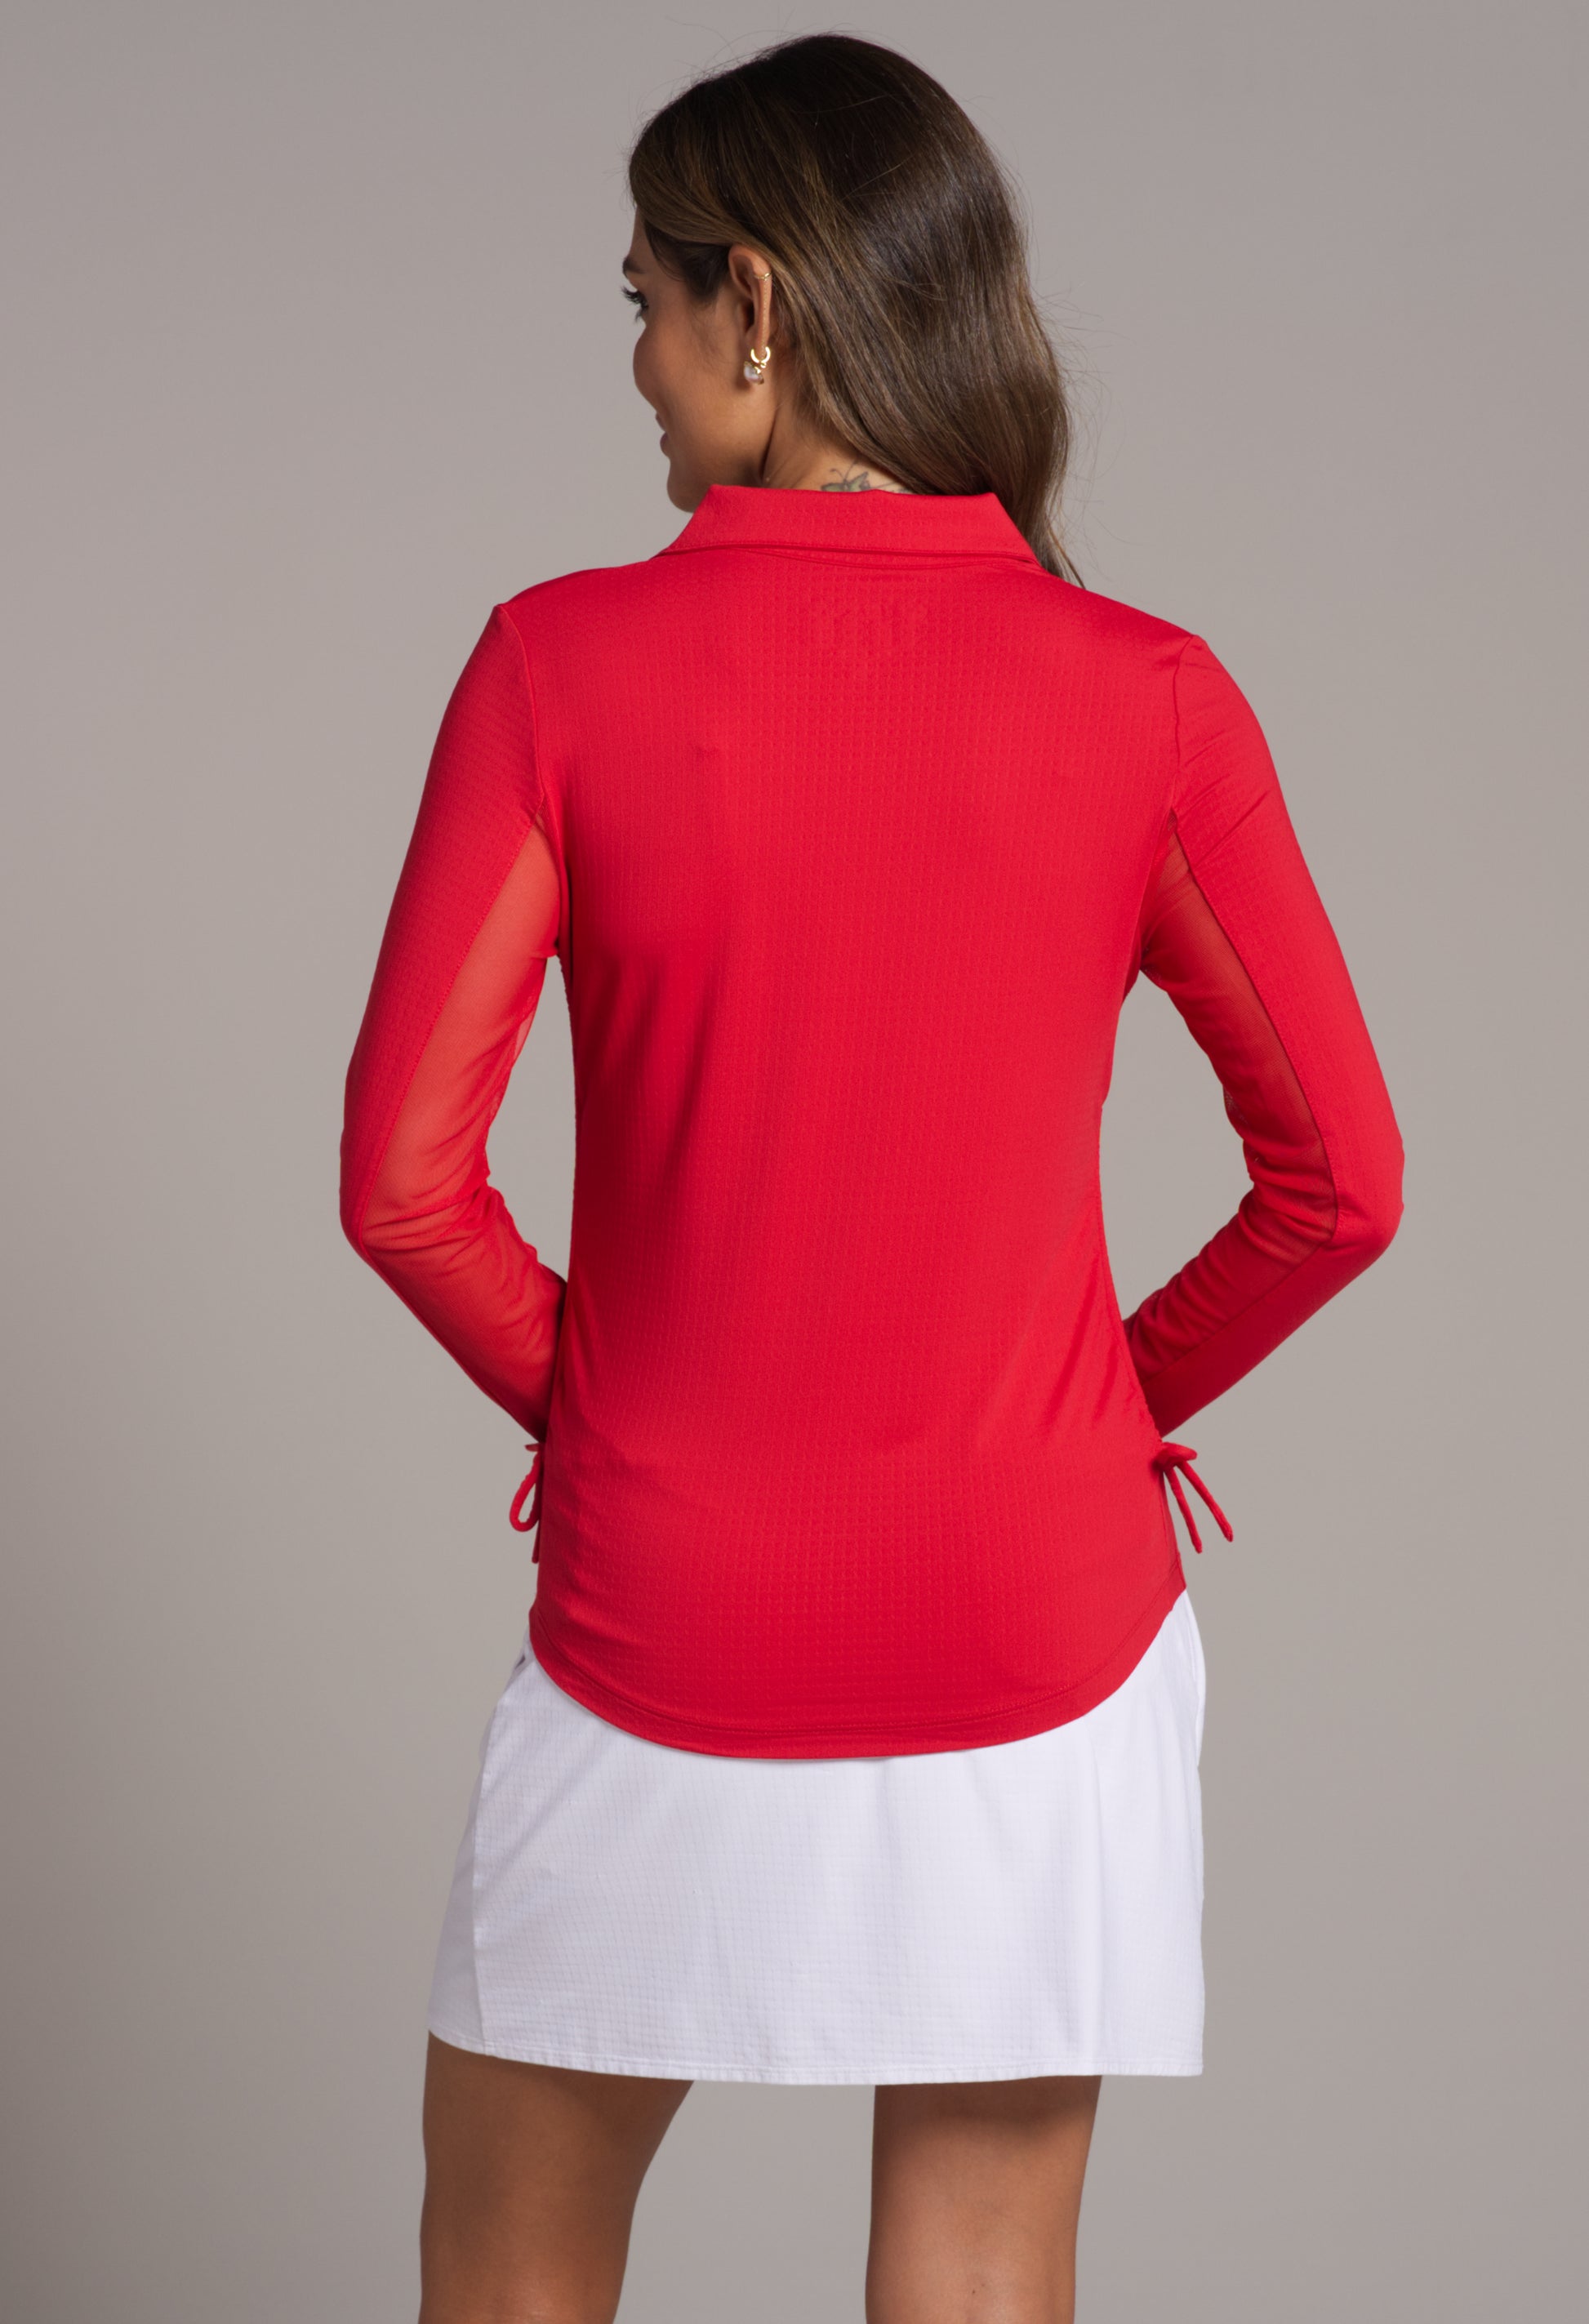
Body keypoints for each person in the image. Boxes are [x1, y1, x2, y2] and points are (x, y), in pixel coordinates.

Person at [340, 32, 1404, 2324]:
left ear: (755, 302)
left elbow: (406, 1186)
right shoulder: (1150, 696)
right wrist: (1095, 1415)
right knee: (984, 2269)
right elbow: (1340, 1185)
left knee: (509, 2266)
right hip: (1040, 1613)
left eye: (642, 300)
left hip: (663, 1608)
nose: (634, 362)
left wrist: (612, 1415)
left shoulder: (556, 670)